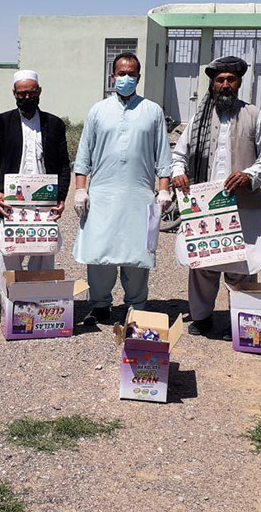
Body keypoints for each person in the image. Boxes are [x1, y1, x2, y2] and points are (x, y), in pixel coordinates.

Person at [171, 56, 261, 338]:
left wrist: (249, 175)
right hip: (205, 204)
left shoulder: (254, 115)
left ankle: (241, 320)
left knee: (242, 264)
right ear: (213, 84)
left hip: (243, 202)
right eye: (220, 80)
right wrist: (179, 173)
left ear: (239, 82)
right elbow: (179, 155)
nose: (225, 85)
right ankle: (202, 317)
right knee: (202, 265)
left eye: (231, 79)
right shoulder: (198, 119)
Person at [72, 52, 172, 325]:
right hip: (102, 194)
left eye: (132, 74)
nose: (126, 78)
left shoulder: (152, 111)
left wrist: (163, 190)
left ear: (139, 77)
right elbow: (84, 156)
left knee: (138, 255)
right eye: (121, 73)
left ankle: (136, 305)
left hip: (139, 196)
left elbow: (163, 156)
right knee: (100, 254)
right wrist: (80, 189)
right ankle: (101, 304)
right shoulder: (97, 110)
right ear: (112, 76)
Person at [0, 69, 71, 304]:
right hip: (10, 203)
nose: (26, 98)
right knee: (7, 253)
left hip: (44, 204)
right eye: (21, 94)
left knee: (43, 253)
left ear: (39, 92)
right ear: (14, 94)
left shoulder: (54, 124)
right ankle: (8, 304)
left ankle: (39, 300)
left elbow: (63, 164)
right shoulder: (3, 122)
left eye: (31, 92)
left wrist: (61, 196)